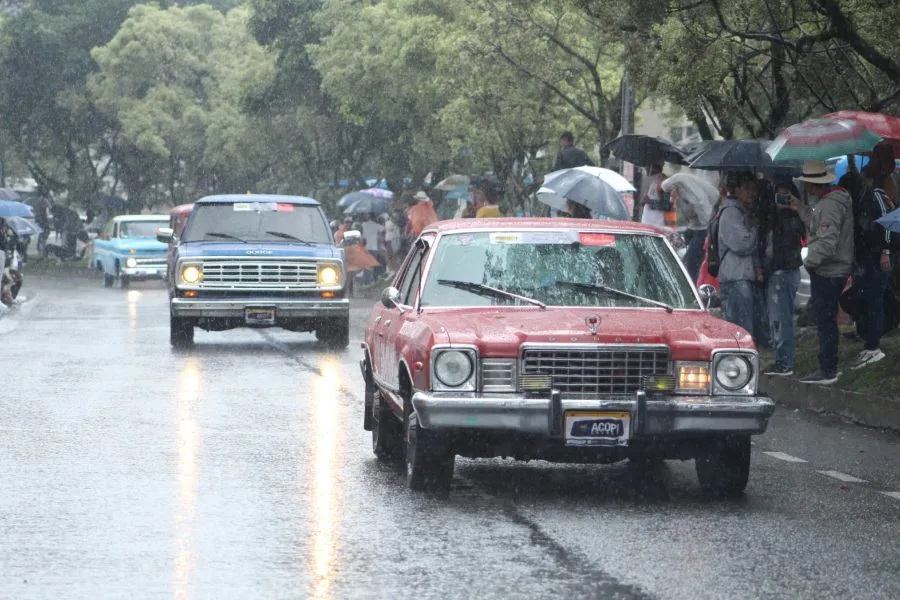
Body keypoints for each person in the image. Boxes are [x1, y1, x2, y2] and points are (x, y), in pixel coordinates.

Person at [798, 161, 854, 385]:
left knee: (826, 321)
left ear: (812, 184)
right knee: (827, 319)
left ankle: (828, 369)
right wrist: (801, 209)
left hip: (829, 270)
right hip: (835, 268)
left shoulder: (830, 204)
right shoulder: (835, 200)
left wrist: (809, 262)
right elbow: (820, 226)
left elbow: (827, 242)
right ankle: (828, 366)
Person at [842, 171, 892, 369]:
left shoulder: (875, 198)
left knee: (874, 301)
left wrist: (885, 251)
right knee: (863, 300)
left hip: (877, 257)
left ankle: (874, 346)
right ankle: (869, 340)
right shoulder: (855, 203)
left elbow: (887, 225)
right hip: (862, 259)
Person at [762, 179, 808, 376]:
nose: (782, 199)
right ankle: (782, 360)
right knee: (777, 320)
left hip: (784, 272)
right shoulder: (776, 217)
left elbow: (783, 250)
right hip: (780, 272)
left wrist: (794, 208)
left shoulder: (792, 219)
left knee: (782, 320)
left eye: (786, 195)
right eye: (778, 195)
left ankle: (785, 363)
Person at [717, 171, 760, 335]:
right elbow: (743, 244)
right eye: (747, 188)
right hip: (735, 277)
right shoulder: (731, 212)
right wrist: (755, 228)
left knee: (742, 326)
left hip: (740, 276)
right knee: (739, 329)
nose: (752, 193)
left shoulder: (741, 211)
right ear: (736, 190)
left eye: (753, 189)